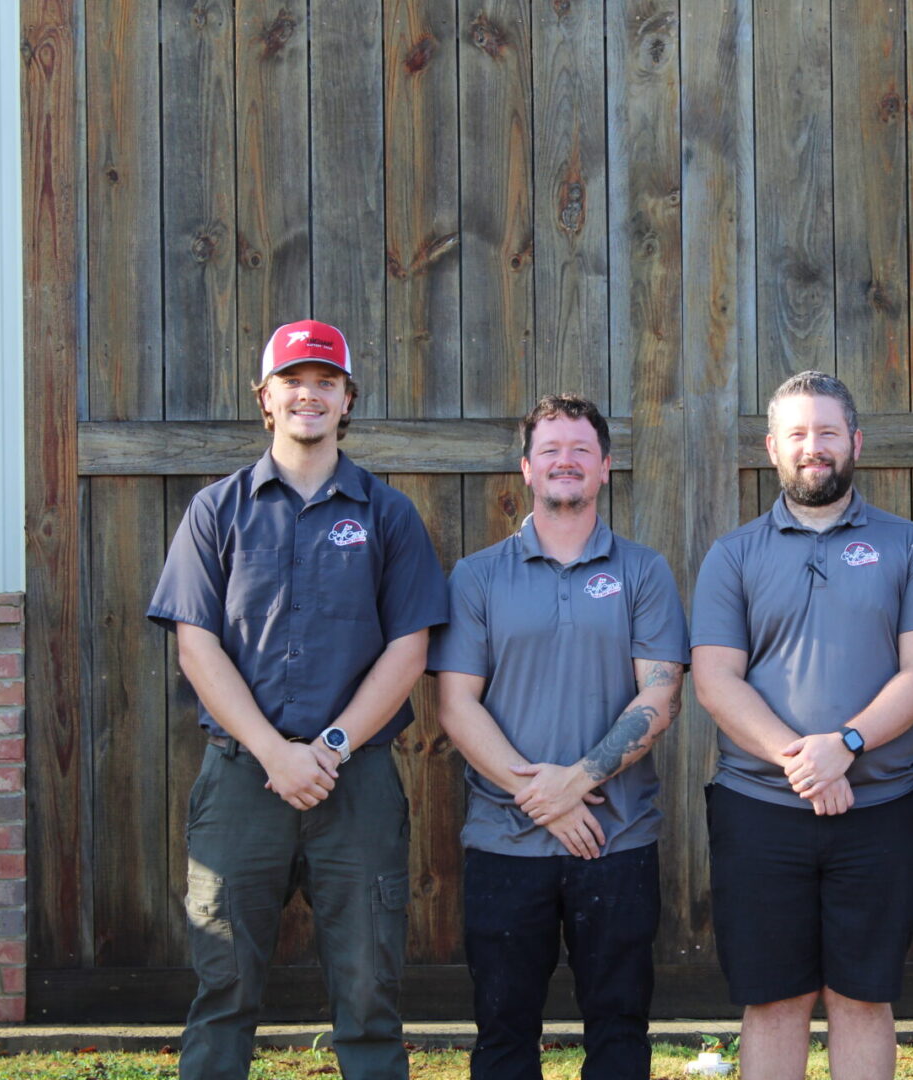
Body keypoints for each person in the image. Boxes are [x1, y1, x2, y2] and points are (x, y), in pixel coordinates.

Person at [147, 319, 447, 1080]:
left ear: (347, 401)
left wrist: (329, 748)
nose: (308, 394)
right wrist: (274, 753)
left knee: (370, 990)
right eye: (292, 381)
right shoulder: (217, 510)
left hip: (357, 784)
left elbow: (408, 648)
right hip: (241, 781)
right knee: (223, 985)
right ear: (265, 399)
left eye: (325, 382)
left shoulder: (388, 514)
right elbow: (196, 646)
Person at [691, 371, 913, 1080]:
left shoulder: (909, 546)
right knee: (774, 999)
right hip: (760, 810)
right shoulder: (733, 554)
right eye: (798, 434)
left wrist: (847, 745)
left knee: (862, 997)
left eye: (828, 432)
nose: (814, 447)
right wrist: (804, 762)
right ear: (772, 448)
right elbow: (715, 679)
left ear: (855, 443)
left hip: (881, 809)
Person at [430, 393, 689, 1080]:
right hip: (505, 842)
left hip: (616, 840)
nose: (565, 461)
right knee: (503, 1035)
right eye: (550, 450)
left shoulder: (643, 571)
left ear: (605, 466)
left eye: (581, 450)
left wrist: (575, 782)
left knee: (619, 1032)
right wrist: (543, 798)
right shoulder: (478, 576)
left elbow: (661, 695)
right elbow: (456, 705)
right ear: (526, 467)